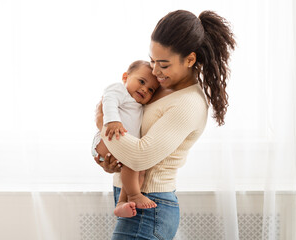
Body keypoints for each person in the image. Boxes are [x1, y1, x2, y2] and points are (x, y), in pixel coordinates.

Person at [94, 10, 236, 239]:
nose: (155, 70)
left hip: (151, 206)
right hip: (132, 200)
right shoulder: (160, 86)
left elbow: (141, 156)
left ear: (190, 59)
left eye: (163, 64)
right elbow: (133, 132)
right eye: (152, 60)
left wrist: (103, 122)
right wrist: (113, 163)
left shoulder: (189, 103)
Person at [91, 60, 160, 218]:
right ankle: (135, 195)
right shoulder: (118, 90)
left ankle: (123, 202)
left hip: (119, 147)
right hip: (104, 140)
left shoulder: (138, 104)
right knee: (133, 162)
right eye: (141, 81)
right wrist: (112, 121)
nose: (144, 89)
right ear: (125, 77)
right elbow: (109, 101)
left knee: (140, 170)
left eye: (151, 90)